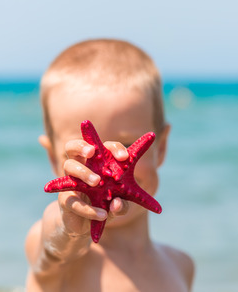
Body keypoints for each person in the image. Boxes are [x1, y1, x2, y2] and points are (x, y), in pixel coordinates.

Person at [25, 39, 195, 291]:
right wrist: (70, 227)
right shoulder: (64, 260)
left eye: (125, 146)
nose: (105, 168)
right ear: (53, 157)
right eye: (87, 151)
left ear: (160, 148)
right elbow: (53, 247)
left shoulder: (180, 265)